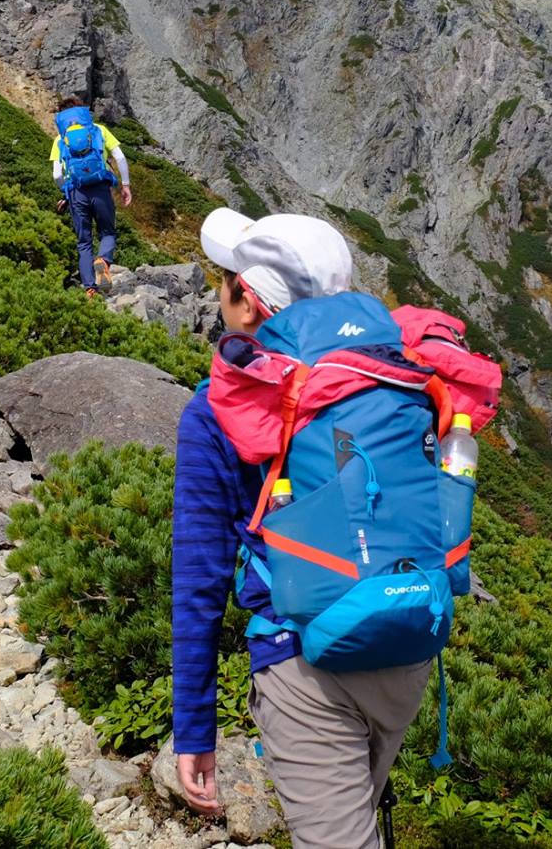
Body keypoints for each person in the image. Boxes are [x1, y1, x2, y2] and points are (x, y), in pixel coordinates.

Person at [170, 208, 439, 849]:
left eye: (227, 277)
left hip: (306, 666)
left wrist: (194, 726)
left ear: (249, 304)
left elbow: (200, 577)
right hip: (407, 643)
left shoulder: (218, 411)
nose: (219, 287)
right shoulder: (392, 384)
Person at [49, 96, 132, 296]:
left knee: (84, 242)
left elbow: (57, 174)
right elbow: (119, 157)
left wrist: (66, 193)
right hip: (101, 189)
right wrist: (126, 185)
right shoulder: (99, 130)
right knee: (108, 232)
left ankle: (89, 289)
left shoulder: (60, 139)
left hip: (77, 193)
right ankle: (103, 260)